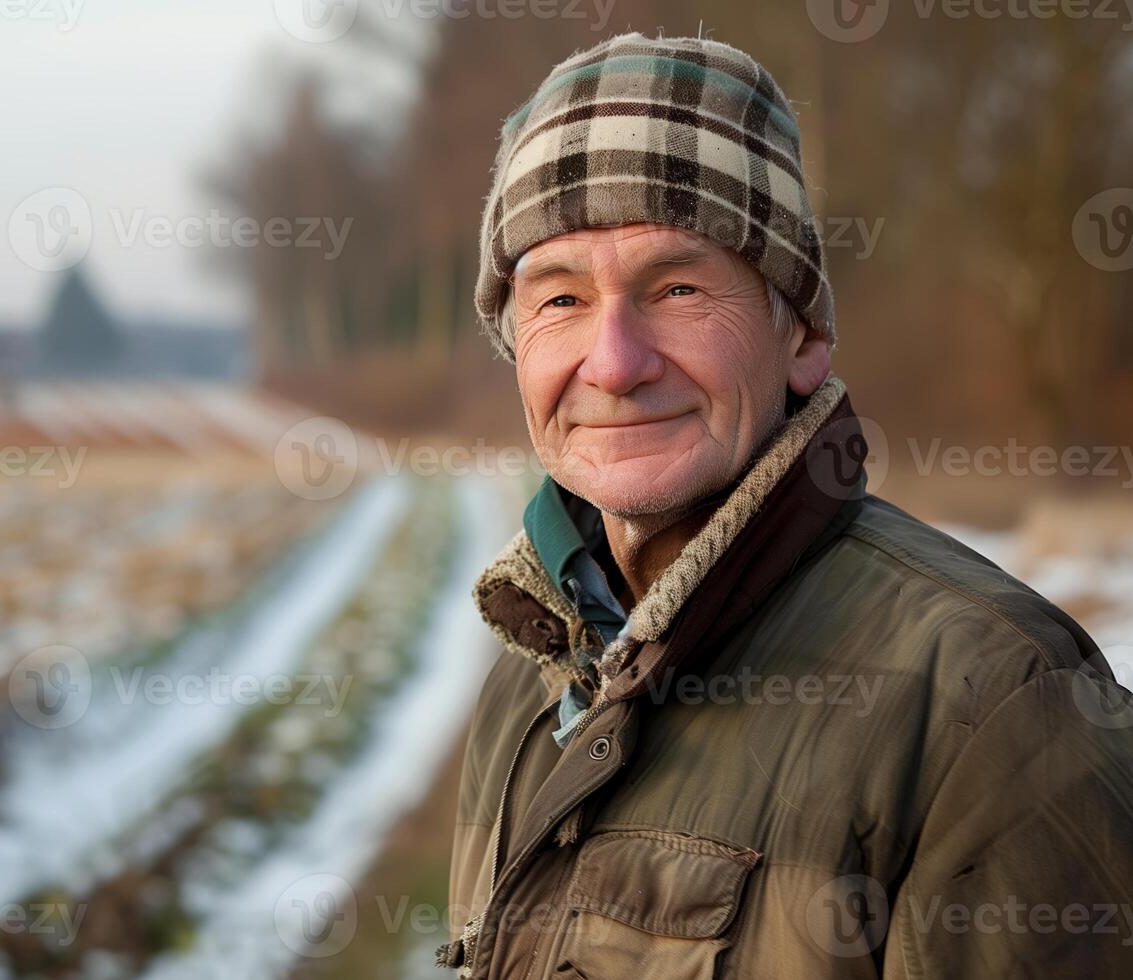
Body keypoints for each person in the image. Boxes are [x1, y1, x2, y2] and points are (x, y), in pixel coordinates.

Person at [443, 31, 1133, 979]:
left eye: (677, 287)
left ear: (802, 333)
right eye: (558, 301)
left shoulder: (997, 708)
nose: (611, 362)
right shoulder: (531, 681)